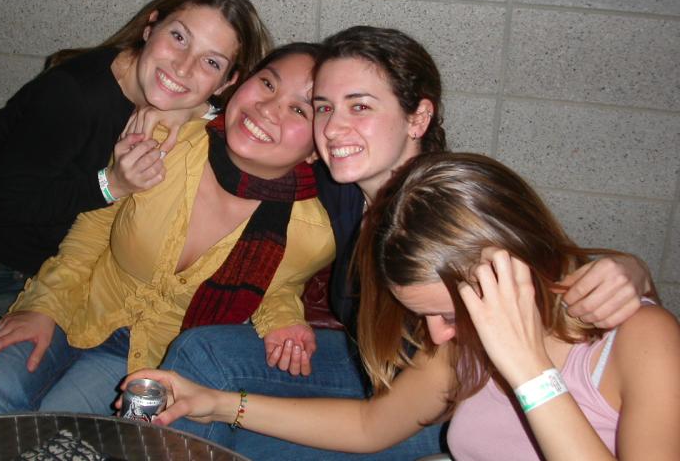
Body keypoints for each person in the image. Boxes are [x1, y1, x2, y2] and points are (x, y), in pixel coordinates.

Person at [150, 26, 655, 460]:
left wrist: (629, 270)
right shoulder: (340, 183)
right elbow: (252, 146)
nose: (333, 128)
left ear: (418, 118)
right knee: (205, 357)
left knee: (234, 430)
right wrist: (180, 117)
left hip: (449, 400)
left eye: (360, 106)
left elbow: (544, 269)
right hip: (382, 371)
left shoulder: (449, 206)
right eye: (323, 107)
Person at [0, 0, 271, 431]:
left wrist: (191, 110)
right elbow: (9, 207)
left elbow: (247, 129)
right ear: (151, 27)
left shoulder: (186, 116)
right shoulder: (75, 93)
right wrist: (111, 184)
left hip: (12, 281)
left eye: (210, 62)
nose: (182, 67)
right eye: (178, 37)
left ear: (227, 81)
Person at [130, 152, 680, 460]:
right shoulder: (464, 339)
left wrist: (530, 371)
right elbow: (371, 426)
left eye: (448, 313)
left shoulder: (642, 340)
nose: (437, 335)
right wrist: (216, 404)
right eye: (427, 315)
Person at [0, 42, 336, 418]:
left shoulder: (312, 234)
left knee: (56, 425)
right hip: (77, 304)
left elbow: (277, 283)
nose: (267, 108)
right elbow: (92, 230)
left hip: (151, 358)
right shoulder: (165, 140)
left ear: (316, 148)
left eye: (299, 109)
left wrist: (283, 321)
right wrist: (42, 307)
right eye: (268, 83)